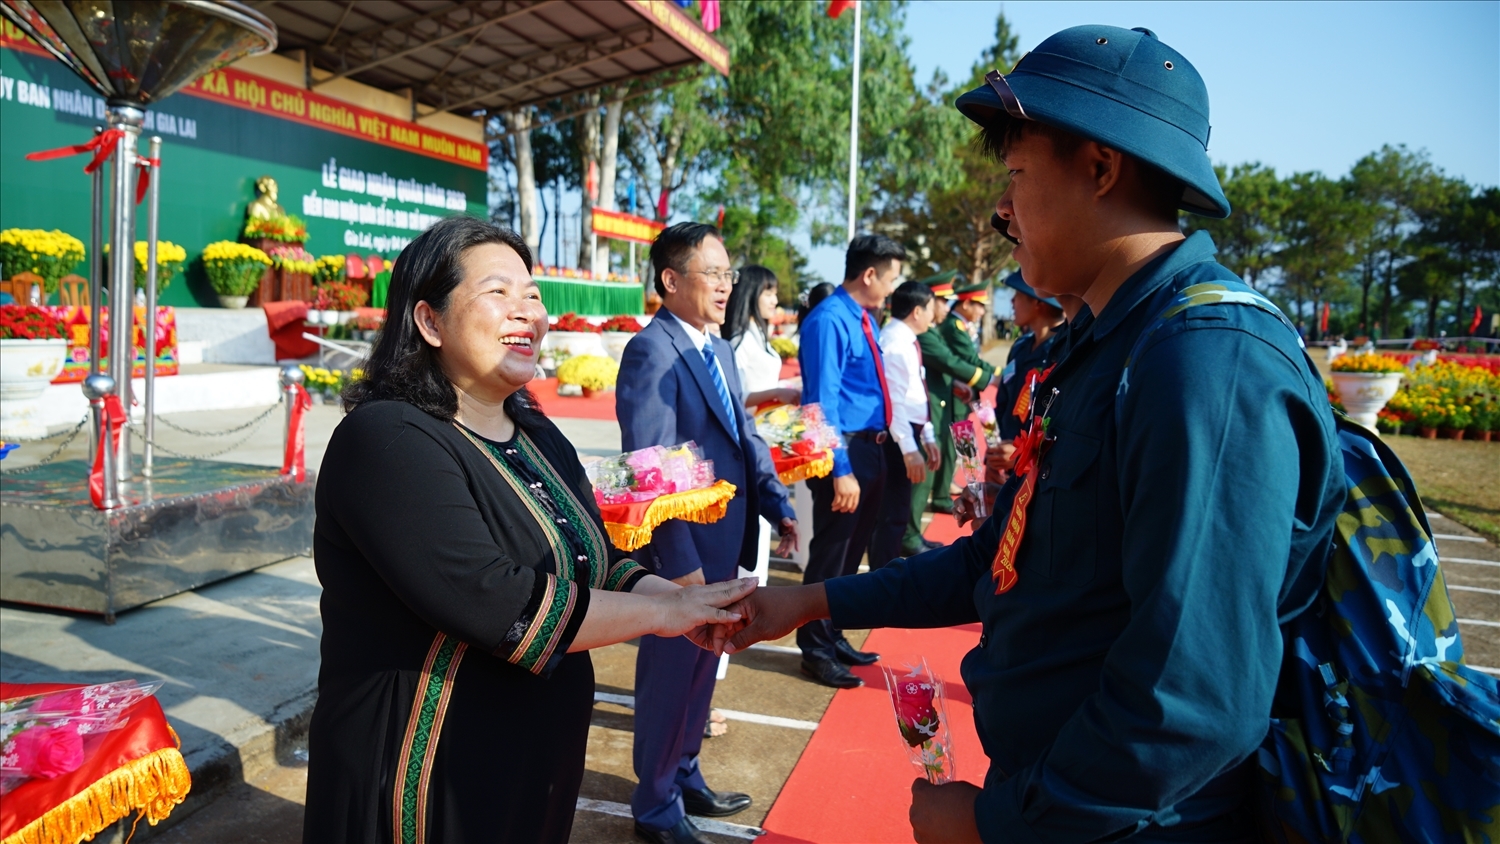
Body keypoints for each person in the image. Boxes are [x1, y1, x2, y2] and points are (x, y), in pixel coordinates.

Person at [721, 25, 1343, 842]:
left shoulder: (1205, 366)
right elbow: (1003, 560)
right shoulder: (1109, 347)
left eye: (1016, 174)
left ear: (1100, 167)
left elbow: (1193, 700)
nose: (1001, 209)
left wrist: (994, 826)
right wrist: (810, 599)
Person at [302, 217, 755, 844]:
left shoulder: (537, 432)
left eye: (533, 295)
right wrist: (666, 614)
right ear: (429, 321)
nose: (528, 313)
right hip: (427, 766)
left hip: (533, 754)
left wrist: (686, 600)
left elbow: (598, 560)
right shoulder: (387, 438)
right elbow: (497, 600)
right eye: (499, 293)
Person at [616, 223, 798, 844]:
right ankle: (655, 807)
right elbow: (650, 465)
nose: (727, 286)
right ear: (671, 281)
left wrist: (778, 503)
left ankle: (685, 772)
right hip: (685, 557)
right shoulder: (652, 351)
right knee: (670, 677)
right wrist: (680, 567)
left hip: (729, 541)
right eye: (713, 274)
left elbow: (745, 439)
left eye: (729, 274)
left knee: (704, 670)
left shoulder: (714, 348)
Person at [793, 233, 906, 688]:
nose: (895, 288)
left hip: (871, 447)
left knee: (851, 552)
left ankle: (833, 631)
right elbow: (821, 402)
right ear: (870, 274)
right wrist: (840, 469)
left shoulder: (864, 318)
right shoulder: (829, 320)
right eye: (893, 277)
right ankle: (814, 647)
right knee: (831, 552)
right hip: (845, 450)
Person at [870, 280, 942, 568]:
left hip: (908, 431)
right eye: (930, 309)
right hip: (897, 435)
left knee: (896, 512)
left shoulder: (907, 340)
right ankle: (881, 581)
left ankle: (883, 577)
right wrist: (910, 448)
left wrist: (928, 435)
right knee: (891, 514)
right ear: (916, 311)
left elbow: (914, 395)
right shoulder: (896, 343)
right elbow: (895, 403)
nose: (933, 316)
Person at [918, 275, 996, 516]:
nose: (982, 311)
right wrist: (997, 375)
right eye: (979, 305)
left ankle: (952, 491)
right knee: (959, 443)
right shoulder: (953, 326)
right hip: (952, 396)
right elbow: (963, 361)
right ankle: (948, 494)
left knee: (961, 443)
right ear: (967, 304)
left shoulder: (956, 325)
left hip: (959, 389)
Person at [987, 272, 1066, 478]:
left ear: (1037, 302)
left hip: (1040, 469)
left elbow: (1059, 421)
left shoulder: (1065, 349)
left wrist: (1023, 452)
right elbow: (1004, 401)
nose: (1011, 301)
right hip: (1007, 463)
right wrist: (995, 452)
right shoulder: (1021, 346)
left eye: (1018, 295)